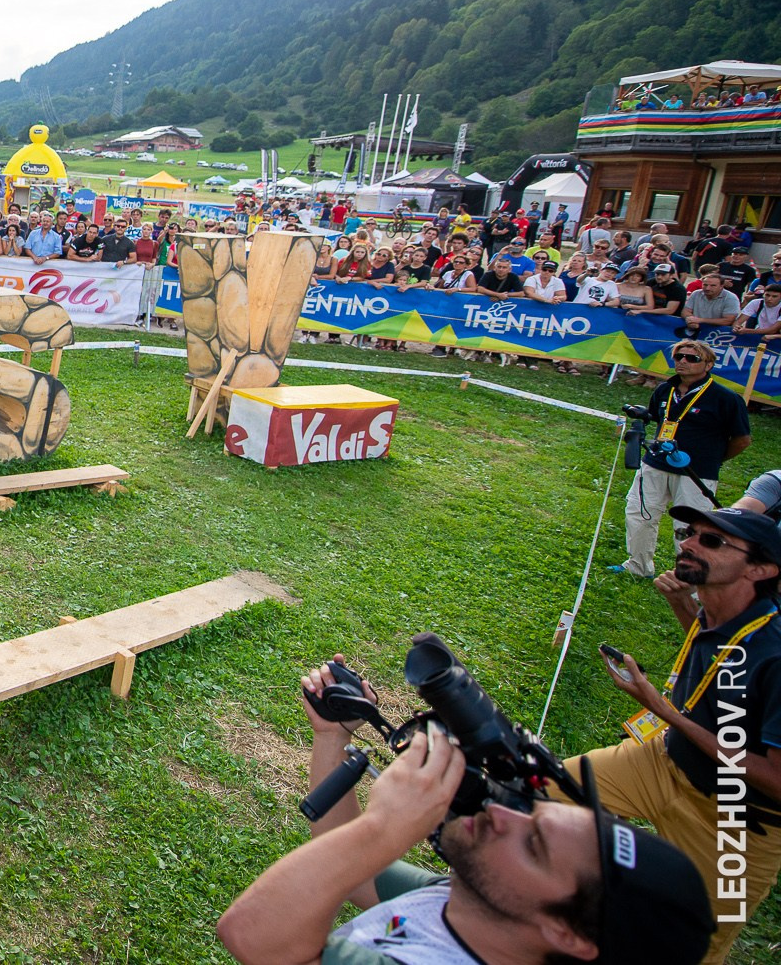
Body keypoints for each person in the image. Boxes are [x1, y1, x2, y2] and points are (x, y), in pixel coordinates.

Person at [217, 655, 713, 965]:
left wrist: (384, 827)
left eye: (533, 844)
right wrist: (331, 737)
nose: (503, 814)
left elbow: (254, 937)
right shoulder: (466, 902)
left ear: (566, 932)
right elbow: (353, 876)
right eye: (532, 813)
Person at [575, 504, 781, 964]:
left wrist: (668, 713)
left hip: (735, 822)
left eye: (712, 541)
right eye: (690, 532)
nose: (686, 543)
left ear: (762, 568)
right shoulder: (723, 610)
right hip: (663, 761)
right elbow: (726, 664)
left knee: (689, 946)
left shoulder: (777, 650)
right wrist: (680, 604)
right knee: (540, 791)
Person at [616, 340, 751, 577]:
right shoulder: (664, 389)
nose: (683, 362)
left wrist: (713, 460)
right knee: (639, 512)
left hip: (696, 471)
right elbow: (661, 421)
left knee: (689, 527)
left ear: (708, 364)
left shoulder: (726, 398)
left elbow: (742, 440)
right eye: (679, 357)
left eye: (692, 358)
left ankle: (689, 577)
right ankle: (638, 566)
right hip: (656, 463)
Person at [681, 271, 741, 338]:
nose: (707, 288)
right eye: (705, 285)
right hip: (694, 331)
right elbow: (686, 311)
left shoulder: (731, 298)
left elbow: (728, 320)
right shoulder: (696, 293)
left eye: (713, 285)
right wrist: (690, 319)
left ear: (721, 286)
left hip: (718, 334)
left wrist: (700, 320)